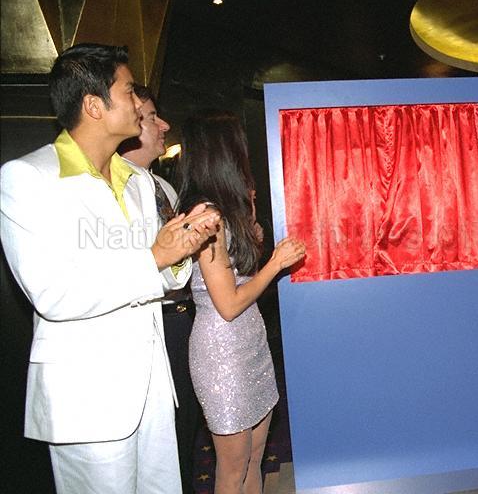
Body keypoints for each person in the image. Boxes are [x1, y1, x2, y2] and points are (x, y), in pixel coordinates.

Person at [0, 43, 220, 493]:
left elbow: (152, 276)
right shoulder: (28, 179)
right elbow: (54, 294)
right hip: (86, 398)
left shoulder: (136, 182)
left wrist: (181, 251)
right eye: (127, 91)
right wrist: (155, 257)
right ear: (93, 105)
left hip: (152, 394)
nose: (139, 104)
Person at [175, 109, 306, 494]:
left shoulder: (225, 210)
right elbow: (228, 304)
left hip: (249, 342)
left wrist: (252, 228)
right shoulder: (205, 216)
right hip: (222, 353)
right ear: (225, 154)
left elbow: (241, 275)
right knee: (231, 470)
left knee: (255, 455)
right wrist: (276, 264)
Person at [118, 84, 202, 494]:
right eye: (152, 117)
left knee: (183, 432)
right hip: (149, 325)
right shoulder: (114, 188)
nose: (163, 125)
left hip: (182, 320)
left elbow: (179, 270)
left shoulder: (163, 188)